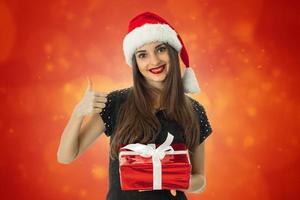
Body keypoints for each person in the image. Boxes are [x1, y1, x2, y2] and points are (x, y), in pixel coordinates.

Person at [57, 12, 213, 200]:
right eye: (142, 55)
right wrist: (78, 114)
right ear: (135, 62)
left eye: (160, 49)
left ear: (172, 51)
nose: (154, 61)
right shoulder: (115, 104)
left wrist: (166, 178)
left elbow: (200, 180)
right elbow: (66, 157)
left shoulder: (194, 111)